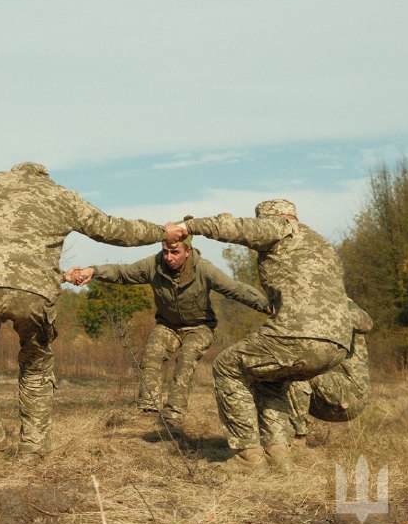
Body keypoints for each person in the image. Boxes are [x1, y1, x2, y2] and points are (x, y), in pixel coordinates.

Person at [0, 161, 179, 456]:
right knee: (35, 366)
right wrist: (161, 233)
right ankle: (32, 451)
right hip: (34, 291)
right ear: (44, 177)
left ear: (14, 174)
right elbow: (114, 229)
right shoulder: (61, 195)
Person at [169, 199, 352, 473]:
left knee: (226, 367)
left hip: (298, 334)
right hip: (338, 342)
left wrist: (188, 226)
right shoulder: (321, 243)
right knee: (270, 379)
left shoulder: (281, 228)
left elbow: (234, 227)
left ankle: (248, 457)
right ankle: (278, 454)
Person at [64, 235, 269, 433]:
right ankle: (147, 410)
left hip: (200, 326)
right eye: (165, 252)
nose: (169, 257)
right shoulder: (154, 265)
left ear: (187, 252)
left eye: (175, 252)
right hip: (168, 325)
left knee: (186, 360)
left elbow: (234, 289)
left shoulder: (204, 269)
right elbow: (123, 272)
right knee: (151, 354)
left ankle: (173, 417)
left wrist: (265, 305)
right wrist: (94, 270)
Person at [288, 300, 373, 442]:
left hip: (349, 395)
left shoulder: (337, 299)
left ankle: (297, 440)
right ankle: (270, 442)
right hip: (319, 395)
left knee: (296, 374)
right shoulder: (293, 305)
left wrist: (321, 314)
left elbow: (365, 323)